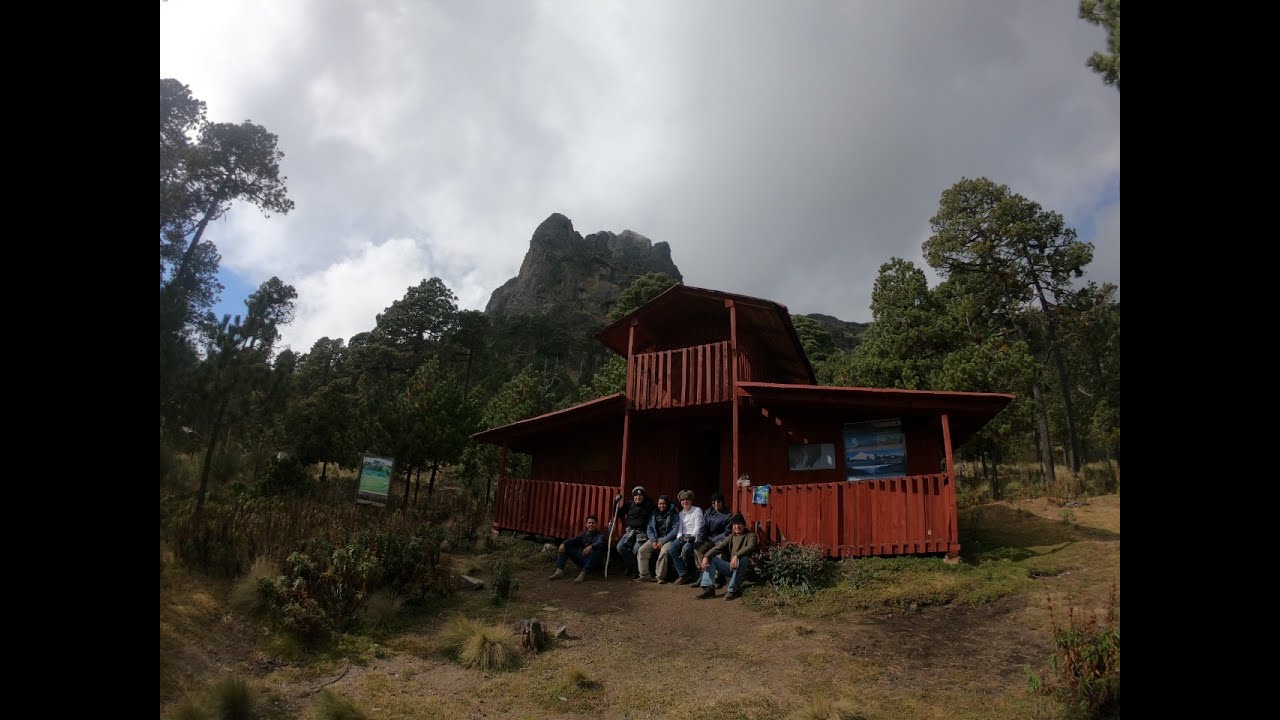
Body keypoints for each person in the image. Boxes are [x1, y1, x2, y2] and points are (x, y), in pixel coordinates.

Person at [695, 513, 757, 600]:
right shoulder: (731, 537)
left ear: (744, 525)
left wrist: (736, 555)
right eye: (735, 524)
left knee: (744, 559)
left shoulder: (750, 535)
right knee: (712, 558)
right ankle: (709, 589)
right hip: (732, 567)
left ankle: (732, 590)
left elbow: (751, 546)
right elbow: (718, 548)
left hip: (744, 569)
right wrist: (705, 557)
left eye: (739, 524)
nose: (737, 526)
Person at [550, 514, 606, 583]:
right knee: (566, 546)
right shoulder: (583, 535)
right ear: (586, 524)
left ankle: (584, 574)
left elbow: (600, 542)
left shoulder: (600, 535)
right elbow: (572, 540)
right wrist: (563, 544)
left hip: (594, 563)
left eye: (593, 523)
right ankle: (559, 571)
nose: (591, 525)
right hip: (583, 560)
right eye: (589, 523)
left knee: (596, 551)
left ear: (596, 524)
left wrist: (591, 546)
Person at [636, 494, 679, 583]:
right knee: (642, 550)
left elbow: (674, 531)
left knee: (664, 552)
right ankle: (644, 575)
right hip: (655, 539)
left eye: (663, 504)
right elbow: (649, 528)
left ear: (667, 504)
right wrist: (653, 540)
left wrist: (662, 541)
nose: (661, 506)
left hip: (667, 539)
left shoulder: (674, 514)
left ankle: (660, 577)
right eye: (660, 504)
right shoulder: (654, 513)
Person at [615, 486, 655, 578]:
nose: (638, 497)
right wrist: (616, 502)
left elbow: (660, 507)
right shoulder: (629, 505)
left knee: (636, 550)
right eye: (636, 496)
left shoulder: (649, 505)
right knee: (620, 547)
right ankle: (634, 568)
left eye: (640, 495)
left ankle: (633, 569)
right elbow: (617, 514)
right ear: (633, 497)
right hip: (630, 531)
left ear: (644, 496)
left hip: (642, 532)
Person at [669, 490, 706, 584]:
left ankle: (691, 573)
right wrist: (680, 537)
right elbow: (680, 528)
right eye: (682, 500)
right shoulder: (680, 514)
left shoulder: (697, 510)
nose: (685, 502)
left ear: (691, 500)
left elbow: (698, 526)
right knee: (672, 548)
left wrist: (692, 537)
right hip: (683, 536)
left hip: (694, 537)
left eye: (687, 499)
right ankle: (683, 574)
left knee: (686, 549)